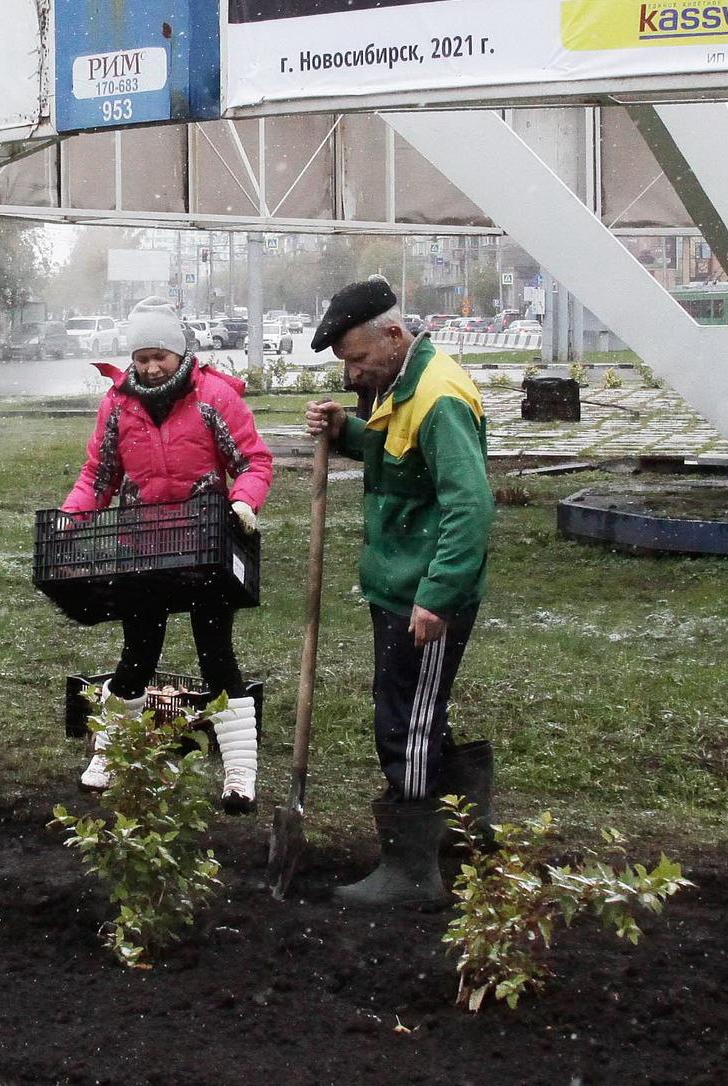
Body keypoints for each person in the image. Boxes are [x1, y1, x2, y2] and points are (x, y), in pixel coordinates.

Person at [300, 277, 496, 908]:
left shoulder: (438, 398)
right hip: (398, 584)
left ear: (393, 334)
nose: (353, 373)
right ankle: (466, 839)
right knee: (413, 711)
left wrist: (437, 596)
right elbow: (395, 459)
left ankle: (412, 872)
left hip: (424, 594)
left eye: (357, 360)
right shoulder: (401, 387)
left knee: (405, 724)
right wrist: (344, 430)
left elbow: (469, 507)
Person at [63, 299, 277, 811]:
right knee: (137, 655)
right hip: (142, 547)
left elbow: (253, 460)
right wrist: (75, 514)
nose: (151, 367)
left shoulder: (214, 398)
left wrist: (245, 499)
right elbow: (100, 474)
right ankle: (111, 755)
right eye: (141, 357)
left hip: (205, 549)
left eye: (159, 355)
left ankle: (240, 773)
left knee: (216, 656)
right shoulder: (117, 405)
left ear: (179, 353)